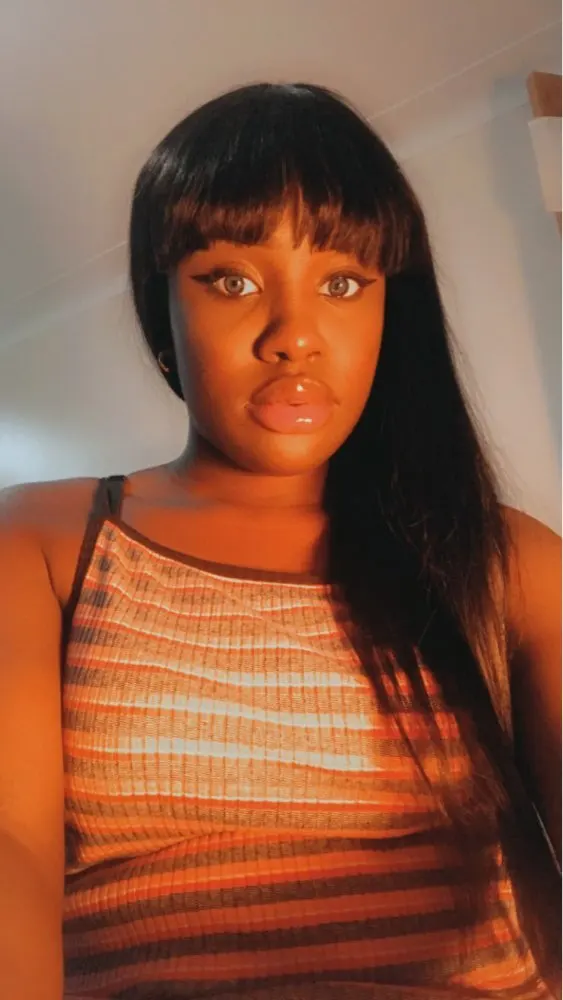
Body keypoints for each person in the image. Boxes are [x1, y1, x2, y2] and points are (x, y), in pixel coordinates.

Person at [0, 82, 560, 1000]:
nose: (294, 337)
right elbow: (11, 847)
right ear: (161, 310)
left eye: (342, 283)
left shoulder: (504, 558)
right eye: (232, 281)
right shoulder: (46, 541)